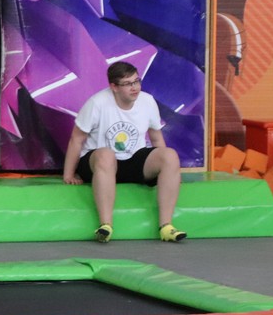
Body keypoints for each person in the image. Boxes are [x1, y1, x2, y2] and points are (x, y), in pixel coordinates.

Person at [62, 61, 186, 243]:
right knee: (106, 155)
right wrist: (68, 174)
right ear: (114, 87)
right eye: (128, 84)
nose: (134, 87)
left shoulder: (147, 101)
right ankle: (105, 225)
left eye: (136, 81)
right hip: (99, 164)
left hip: (132, 161)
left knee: (170, 155)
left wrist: (169, 171)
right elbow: (77, 139)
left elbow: (156, 138)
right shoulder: (97, 103)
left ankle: (166, 226)